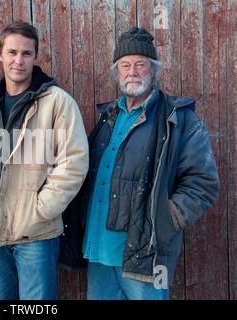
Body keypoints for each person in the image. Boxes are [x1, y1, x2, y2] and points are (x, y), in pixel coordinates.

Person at [60, 26, 219, 300]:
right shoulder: (108, 117)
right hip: (98, 251)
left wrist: (163, 220)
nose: (132, 71)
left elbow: (203, 183)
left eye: (140, 64)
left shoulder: (178, 120)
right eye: (125, 65)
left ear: (153, 70)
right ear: (117, 72)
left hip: (146, 255)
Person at [0, 21, 89, 300]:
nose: (18, 60)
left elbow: (74, 163)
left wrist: (40, 210)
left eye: (26, 53)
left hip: (35, 235)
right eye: (11, 52)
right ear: (0, 55)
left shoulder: (58, 102)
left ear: (35, 57)